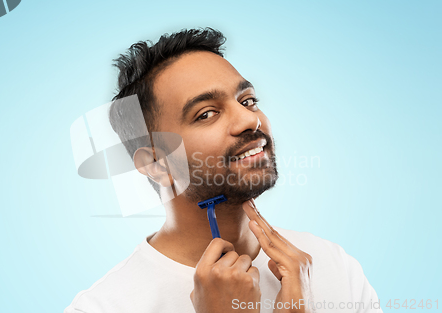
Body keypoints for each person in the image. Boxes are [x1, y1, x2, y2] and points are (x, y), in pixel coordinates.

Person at [64, 28, 382, 313]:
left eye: (248, 100)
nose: (249, 120)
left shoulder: (333, 267)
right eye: (206, 114)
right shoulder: (103, 307)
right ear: (156, 165)